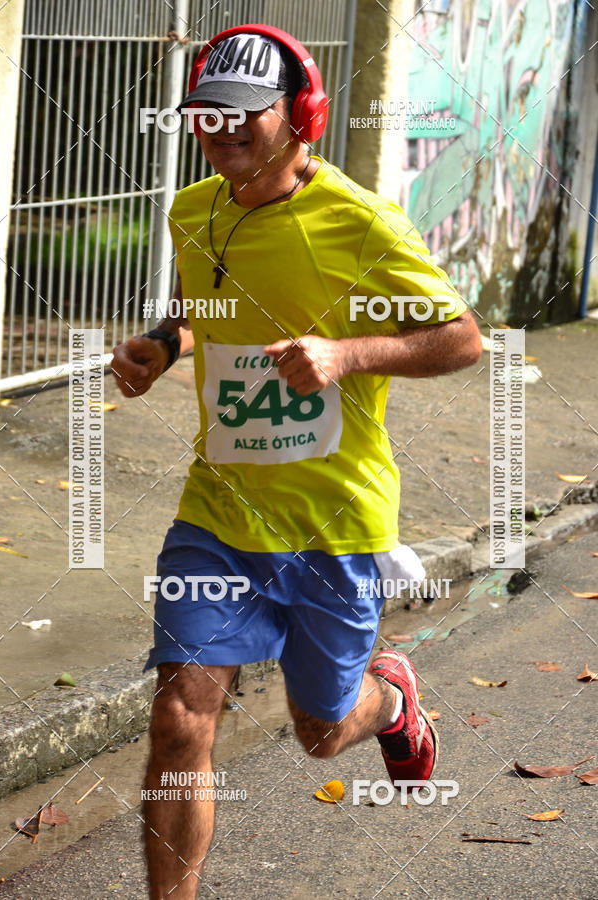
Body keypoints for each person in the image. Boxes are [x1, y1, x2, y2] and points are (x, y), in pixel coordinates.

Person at [112, 24, 482, 899]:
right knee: (178, 719)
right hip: (220, 511)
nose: (223, 128)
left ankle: (389, 700)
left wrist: (345, 355)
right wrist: (163, 345)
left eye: (247, 113)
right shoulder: (192, 209)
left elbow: (461, 339)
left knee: (320, 731)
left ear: (301, 114)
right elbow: (214, 306)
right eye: (207, 112)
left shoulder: (357, 223)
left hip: (333, 520)